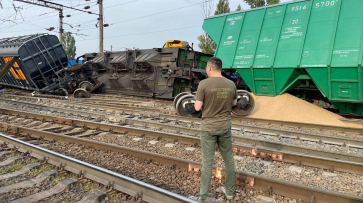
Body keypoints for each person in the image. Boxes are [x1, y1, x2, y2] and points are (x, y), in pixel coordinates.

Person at [194, 57, 237, 202]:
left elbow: (197, 107)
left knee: (207, 162)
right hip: (225, 126)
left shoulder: (204, 84)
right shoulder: (231, 84)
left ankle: (204, 196)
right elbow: (234, 103)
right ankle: (230, 192)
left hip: (208, 128)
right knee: (229, 160)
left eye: (206, 68)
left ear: (210, 68)